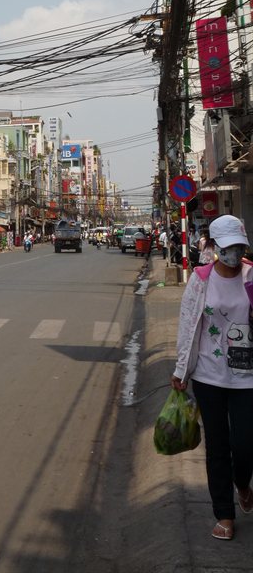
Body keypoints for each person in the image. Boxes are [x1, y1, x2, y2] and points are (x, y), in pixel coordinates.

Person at [171, 214, 253, 541]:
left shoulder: (251, 275)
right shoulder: (201, 278)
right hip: (209, 375)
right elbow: (188, 325)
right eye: (229, 246)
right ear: (216, 246)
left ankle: (243, 483)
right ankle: (224, 513)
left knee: (245, 443)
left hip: (247, 377)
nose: (234, 252)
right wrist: (181, 370)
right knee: (217, 446)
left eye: (240, 246)